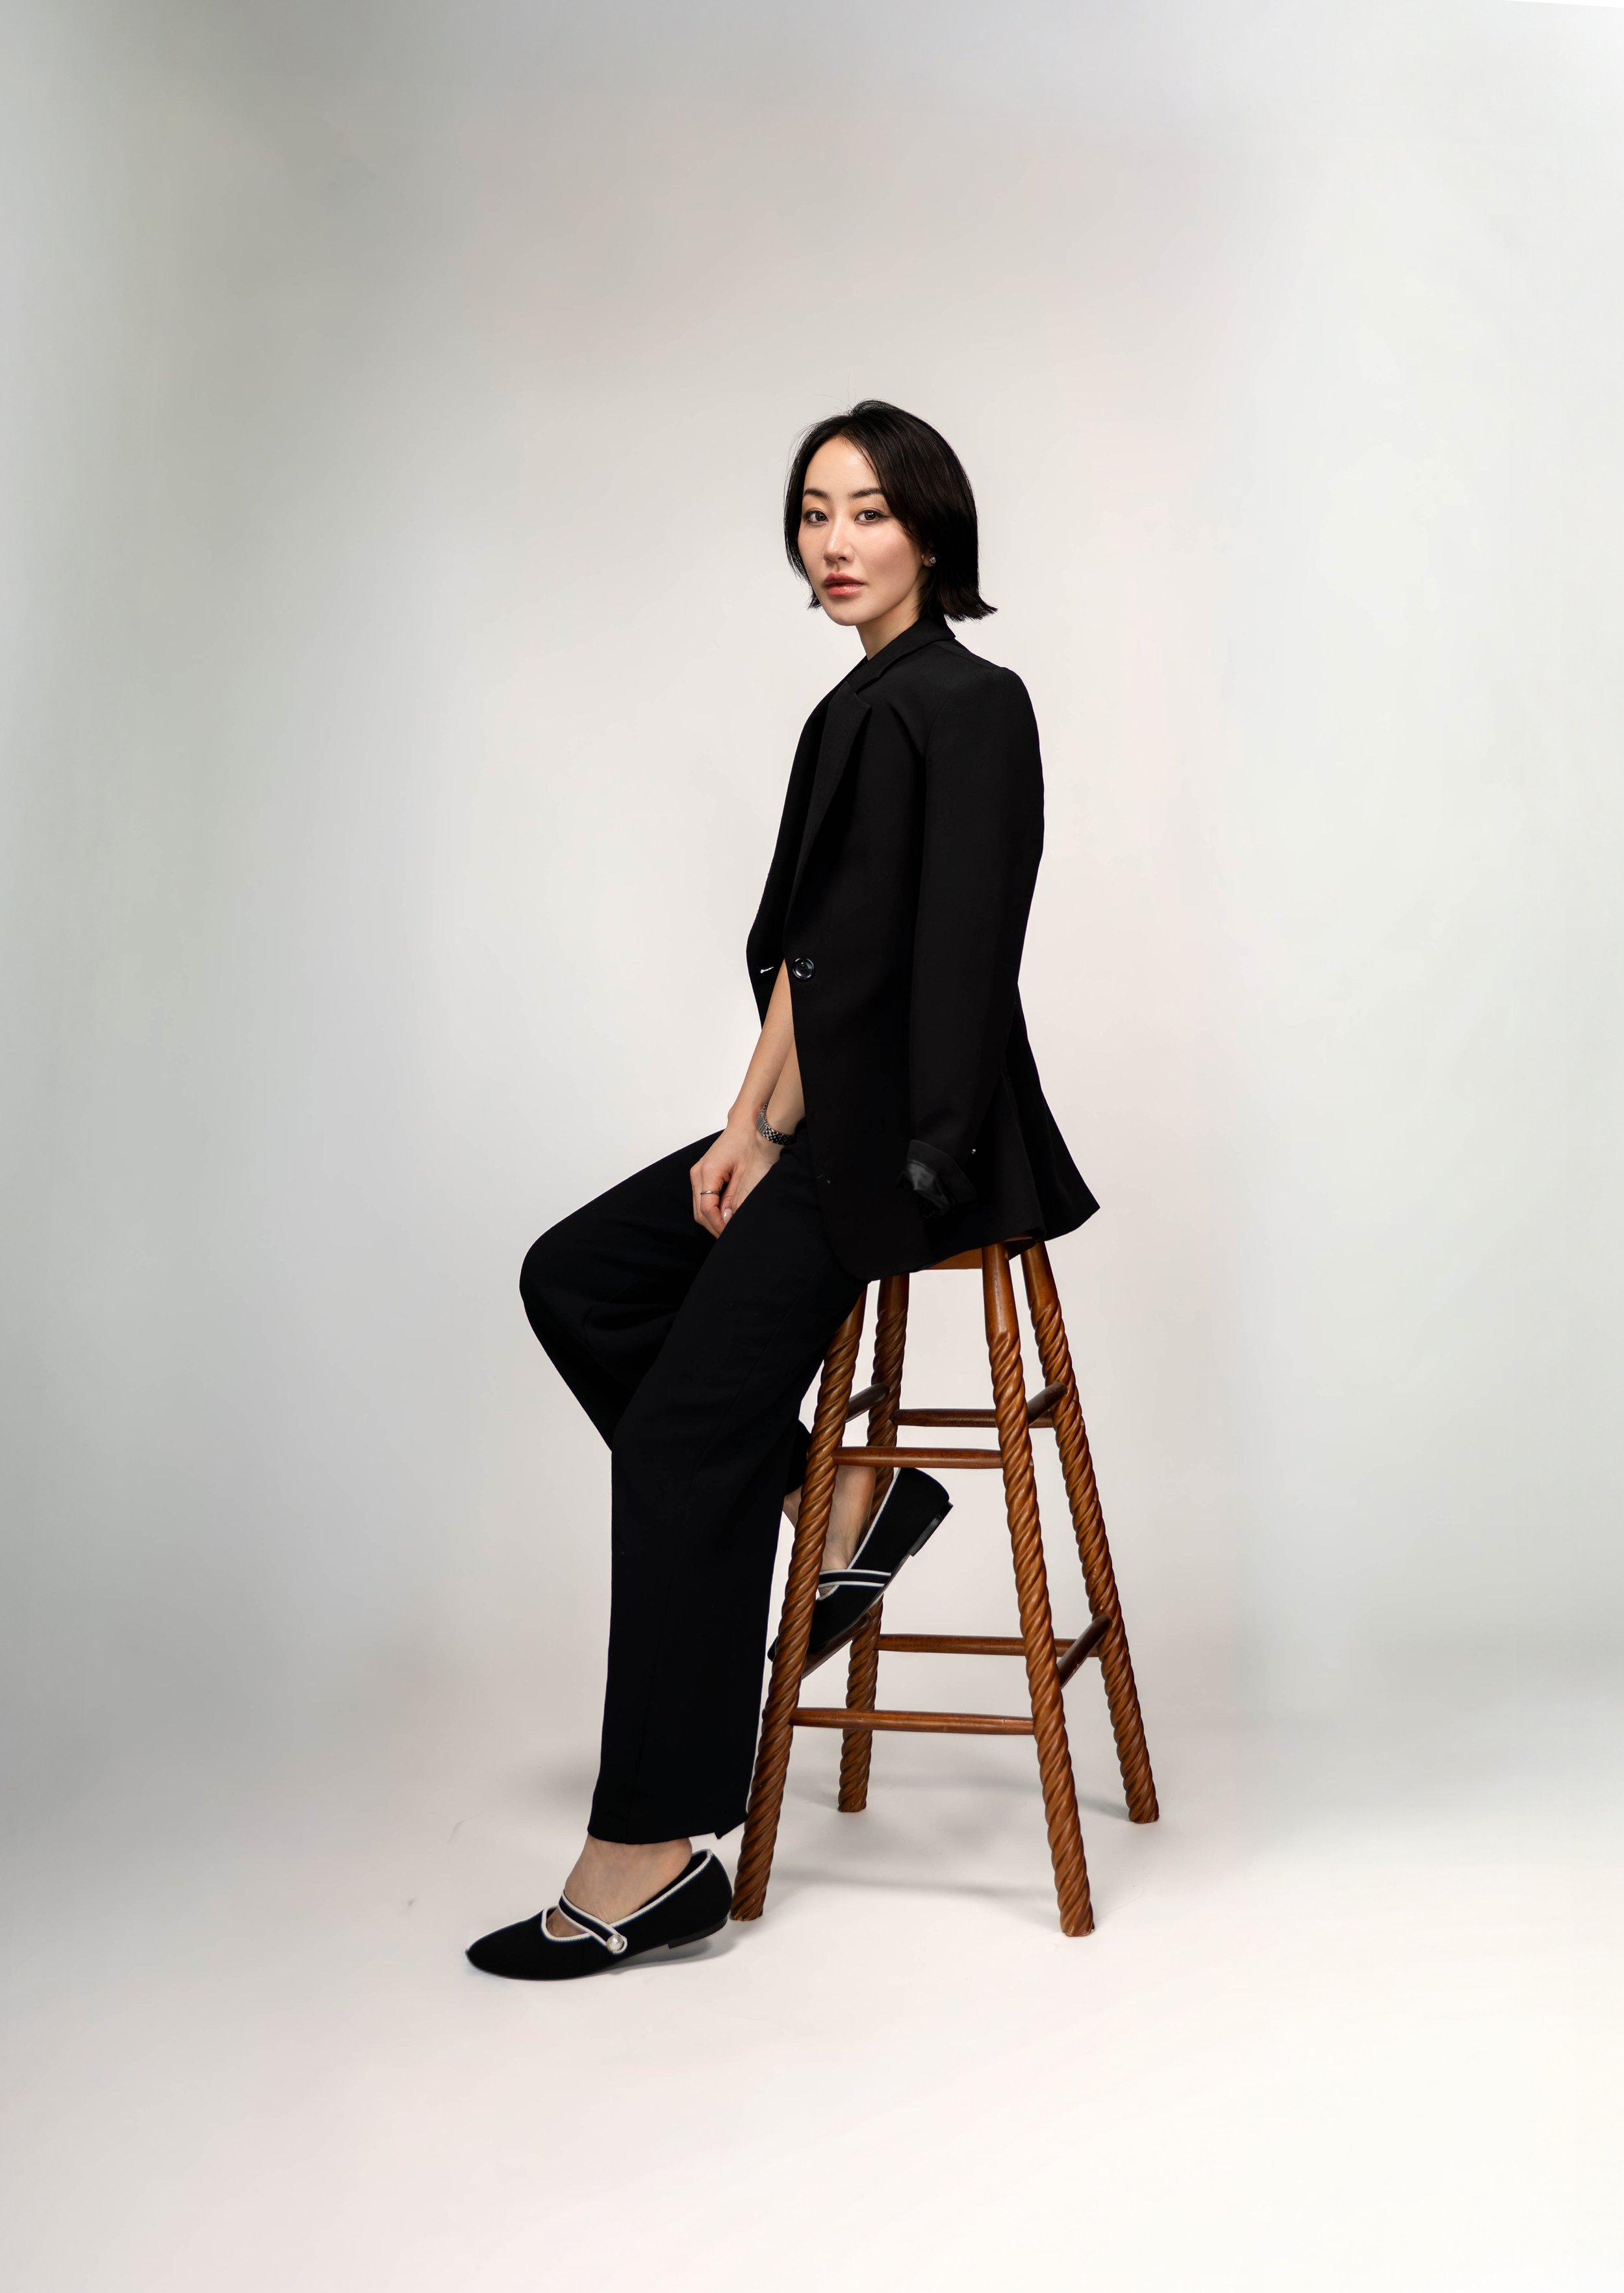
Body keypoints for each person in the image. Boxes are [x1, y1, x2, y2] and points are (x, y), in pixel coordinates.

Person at [466, 401, 1097, 1979]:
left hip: (918, 1143)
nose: (833, 541)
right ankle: (849, 1495)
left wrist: (911, 1165)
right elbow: (816, 968)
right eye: (813, 511)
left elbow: (957, 957)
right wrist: (745, 1124)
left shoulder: (972, 704)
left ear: (929, 534)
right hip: (823, 1122)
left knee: (679, 1435)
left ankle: (645, 1856)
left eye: (867, 512)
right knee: (576, 1275)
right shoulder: (851, 710)